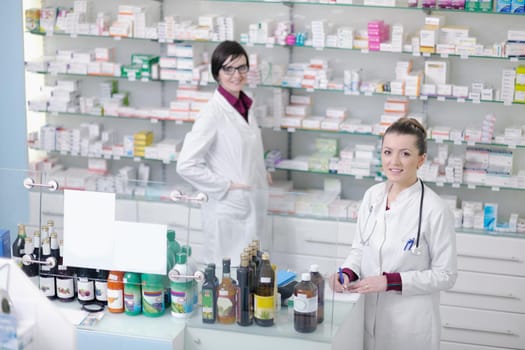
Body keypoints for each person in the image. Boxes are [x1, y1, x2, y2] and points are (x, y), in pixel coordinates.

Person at [329, 117, 457, 350]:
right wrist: (346, 273)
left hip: (410, 325)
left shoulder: (434, 209)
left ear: (421, 160)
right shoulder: (372, 196)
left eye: (405, 154)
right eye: (388, 152)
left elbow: (446, 275)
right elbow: (360, 248)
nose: (394, 161)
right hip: (367, 316)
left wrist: (390, 282)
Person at [176, 40, 270, 267]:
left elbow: (244, 148)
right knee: (224, 279)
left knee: (249, 275)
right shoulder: (212, 113)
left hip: (250, 202)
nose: (236, 75)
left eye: (241, 67)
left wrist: (260, 172)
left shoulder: (245, 105)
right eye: (228, 69)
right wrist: (225, 185)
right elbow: (186, 164)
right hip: (227, 208)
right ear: (217, 73)